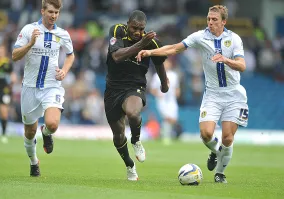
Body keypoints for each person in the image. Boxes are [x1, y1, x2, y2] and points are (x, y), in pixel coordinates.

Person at [137, 5, 249, 183]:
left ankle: (219, 173)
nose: (210, 23)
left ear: (224, 22)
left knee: (228, 137)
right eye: (208, 19)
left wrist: (225, 60)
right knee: (205, 134)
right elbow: (174, 48)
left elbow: (242, 65)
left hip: (234, 94)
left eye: (214, 20)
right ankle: (216, 150)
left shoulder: (234, 39)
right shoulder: (200, 36)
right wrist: (150, 52)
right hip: (212, 94)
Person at [12, 0, 74, 177]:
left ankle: (46, 133)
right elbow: (15, 55)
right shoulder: (28, 30)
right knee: (29, 132)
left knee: (53, 124)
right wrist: (30, 44)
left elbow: (70, 55)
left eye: (56, 13)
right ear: (42, 11)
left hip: (51, 86)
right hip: (30, 87)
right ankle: (33, 162)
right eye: (51, 12)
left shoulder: (62, 34)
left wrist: (64, 70)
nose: (53, 16)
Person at [105, 10, 169, 181]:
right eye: (134, 28)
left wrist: (164, 83)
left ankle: (136, 140)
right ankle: (129, 165)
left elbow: (159, 61)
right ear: (128, 24)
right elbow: (117, 56)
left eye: (141, 29)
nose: (137, 32)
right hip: (113, 88)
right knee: (118, 135)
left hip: (135, 85)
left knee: (133, 113)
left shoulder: (151, 42)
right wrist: (141, 44)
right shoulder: (117, 30)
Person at [150, 58, 180, 145]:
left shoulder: (174, 75)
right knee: (167, 118)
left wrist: (177, 93)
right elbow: (152, 89)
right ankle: (166, 137)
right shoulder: (157, 75)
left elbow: (177, 88)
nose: (167, 65)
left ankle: (165, 133)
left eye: (168, 63)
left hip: (172, 100)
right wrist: (158, 94)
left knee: (173, 119)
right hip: (162, 100)